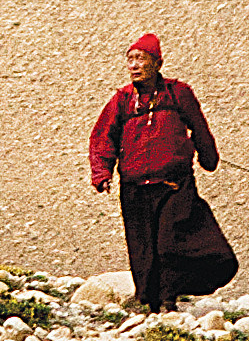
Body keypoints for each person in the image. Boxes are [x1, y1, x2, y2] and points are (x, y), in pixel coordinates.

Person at [86, 31, 232, 308]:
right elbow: (103, 137)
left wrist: (208, 157)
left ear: (158, 63)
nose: (134, 66)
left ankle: (169, 299)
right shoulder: (122, 100)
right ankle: (148, 304)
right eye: (130, 60)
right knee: (142, 250)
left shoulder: (179, 94)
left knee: (170, 243)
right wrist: (101, 173)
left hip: (174, 185)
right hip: (135, 188)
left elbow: (199, 127)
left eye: (141, 59)